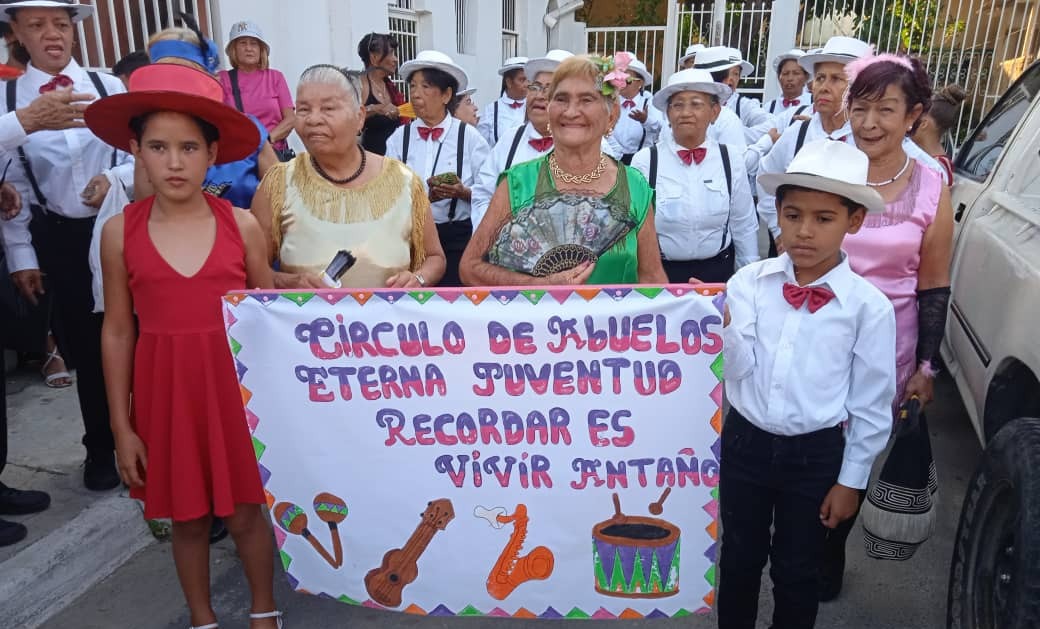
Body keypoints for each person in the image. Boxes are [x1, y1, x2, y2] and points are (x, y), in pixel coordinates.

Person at [89, 61, 282, 629]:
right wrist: (122, 427)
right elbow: (119, 329)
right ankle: (201, 618)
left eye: (190, 148)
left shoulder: (243, 226)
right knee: (189, 518)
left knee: (247, 513)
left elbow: (265, 321)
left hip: (233, 395)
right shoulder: (119, 232)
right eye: (158, 146)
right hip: (165, 395)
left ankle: (264, 611)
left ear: (213, 153)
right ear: (136, 150)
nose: (174, 162)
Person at [718, 139, 896, 629]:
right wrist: (725, 327)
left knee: (798, 571)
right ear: (777, 213)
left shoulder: (869, 307)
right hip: (745, 443)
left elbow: (871, 402)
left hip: (815, 455)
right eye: (793, 215)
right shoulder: (748, 284)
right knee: (737, 560)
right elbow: (737, 370)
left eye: (824, 219)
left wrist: (851, 480)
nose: (805, 231)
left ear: (853, 221)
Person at [819, 52, 955, 603]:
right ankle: (808, 547)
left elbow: (934, 284)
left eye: (886, 110)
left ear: (915, 114)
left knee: (854, 461)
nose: (869, 123)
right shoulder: (826, 163)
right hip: (815, 338)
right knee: (811, 452)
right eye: (861, 107)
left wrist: (925, 366)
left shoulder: (930, 184)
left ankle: (828, 557)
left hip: (886, 353)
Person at [0, 0, 135, 490]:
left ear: (75, 31)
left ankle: (150, 440)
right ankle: (101, 447)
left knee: (137, 337)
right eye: (36, 25)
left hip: (120, 227)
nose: (51, 34)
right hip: (60, 234)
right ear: (16, 31)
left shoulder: (107, 85)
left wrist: (114, 177)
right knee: (89, 344)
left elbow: (142, 152)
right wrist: (22, 256)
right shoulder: (9, 97)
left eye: (60, 23)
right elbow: (8, 186)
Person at [460, 54, 668, 286]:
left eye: (586, 100)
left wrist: (695, 305)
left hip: (613, 323)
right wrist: (539, 285)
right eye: (561, 99)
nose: (570, 112)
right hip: (536, 321)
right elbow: (471, 268)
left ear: (611, 115)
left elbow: (652, 278)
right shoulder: (517, 183)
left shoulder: (634, 186)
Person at [252, 65, 446, 290]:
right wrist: (287, 281)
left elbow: (435, 258)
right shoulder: (279, 183)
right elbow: (254, 269)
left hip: (389, 324)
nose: (314, 119)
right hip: (307, 324)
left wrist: (418, 278)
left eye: (328, 108)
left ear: (359, 117)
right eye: (303, 110)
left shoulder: (404, 181)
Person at [755, 36, 941, 257]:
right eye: (820, 78)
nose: (823, 87)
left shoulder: (874, 139)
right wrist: (780, 231)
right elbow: (766, 175)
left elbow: (932, 176)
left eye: (836, 79)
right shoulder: (797, 133)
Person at [631, 69, 758, 283]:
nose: (686, 112)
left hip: (718, 272)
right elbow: (635, 230)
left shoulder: (730, 159)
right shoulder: (645, 161)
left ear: (714, 112)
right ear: (668, 114)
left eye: (696, 104)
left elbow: (744, 224)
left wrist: (749, 281)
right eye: (678, 105)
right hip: (663, 274)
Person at [470, 49, 610, 233]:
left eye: (550, 89)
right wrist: (496, 235)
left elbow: (606, 212)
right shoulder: (510, 140)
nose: (539, 96)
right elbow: (483, 193)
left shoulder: (597, 147)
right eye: (534, 87)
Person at [385, 50, 489, 287]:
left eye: (426, 86)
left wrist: (463, 192)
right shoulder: (398, 139)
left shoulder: (470, 137)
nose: (416, 94)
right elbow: (388, 191)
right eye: (412, 87)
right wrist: (422, 199)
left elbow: (490, 193)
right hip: (410, 241)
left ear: (446, 94)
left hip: (457, 239)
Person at [148, 24, 278, 210]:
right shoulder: (149, 138)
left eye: (184, 77)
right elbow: (149, 214)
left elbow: (280, 196)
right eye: (163, 79)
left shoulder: (248, 130)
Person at [217, 20, 295, 161]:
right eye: (243, 43)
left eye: (253, 43)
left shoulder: (275, 77)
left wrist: (267, 140)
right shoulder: (223, 79)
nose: (249, 48)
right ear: (233, 49)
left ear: (261, 49)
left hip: (273, 156)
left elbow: (290, 119)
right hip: (240, 158)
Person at [695, 46, 774, 144]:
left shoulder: (743, 104)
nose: (732, 79)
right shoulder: (689, 101)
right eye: (726, 73)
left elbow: (772, 124)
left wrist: (735, 133)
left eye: (736, 74)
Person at [605, 53, 662, 164]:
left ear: (640, 83)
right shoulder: (610, 103)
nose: (621, 83)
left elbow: (660, 127)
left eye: (627, 79)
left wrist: (646, 120)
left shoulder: (648, 102)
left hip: (641, 162)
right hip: (613, 160)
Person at [357, 32, 404, 156]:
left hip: (395, 163)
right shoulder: (360, 85)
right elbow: (348, 118)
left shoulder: (390, 86)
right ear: (374, 58)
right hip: (371, 164)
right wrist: (377, 109)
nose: (396, 59)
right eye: (391, 53)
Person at [912, 84, 967, 186]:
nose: (909, 122)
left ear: (924, 123)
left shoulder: (936, 167)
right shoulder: (930, 161)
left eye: (913, 117)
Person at [477, 56, 527, 146]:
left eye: (528, 80)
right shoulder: (491, 110)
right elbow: (482, 146)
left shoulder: (534, 107)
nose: (527, 84)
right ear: (509, 82)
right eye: (522, 80)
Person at [765, 48, 811, 120]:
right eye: (785, 73)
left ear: (806, 77)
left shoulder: (814, 103)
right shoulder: (769, 107)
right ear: (779, 77)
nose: (790, 78)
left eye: (796, 73)